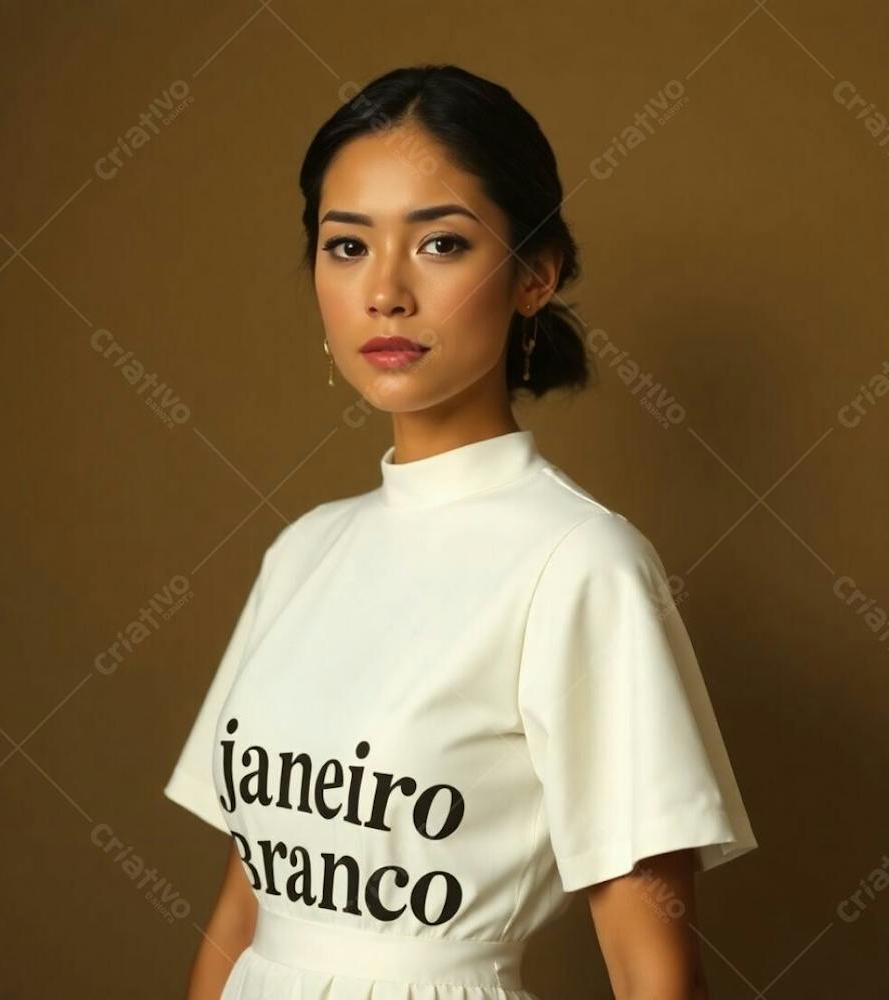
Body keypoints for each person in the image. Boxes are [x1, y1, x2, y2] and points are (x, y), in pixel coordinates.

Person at [164, 63, 758, 1000]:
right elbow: (248, 909)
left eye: (439, 243)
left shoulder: (581, 565)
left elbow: (654, 972)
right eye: (346, 246)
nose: (385, 293)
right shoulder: (303, 552)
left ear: (535, 275)